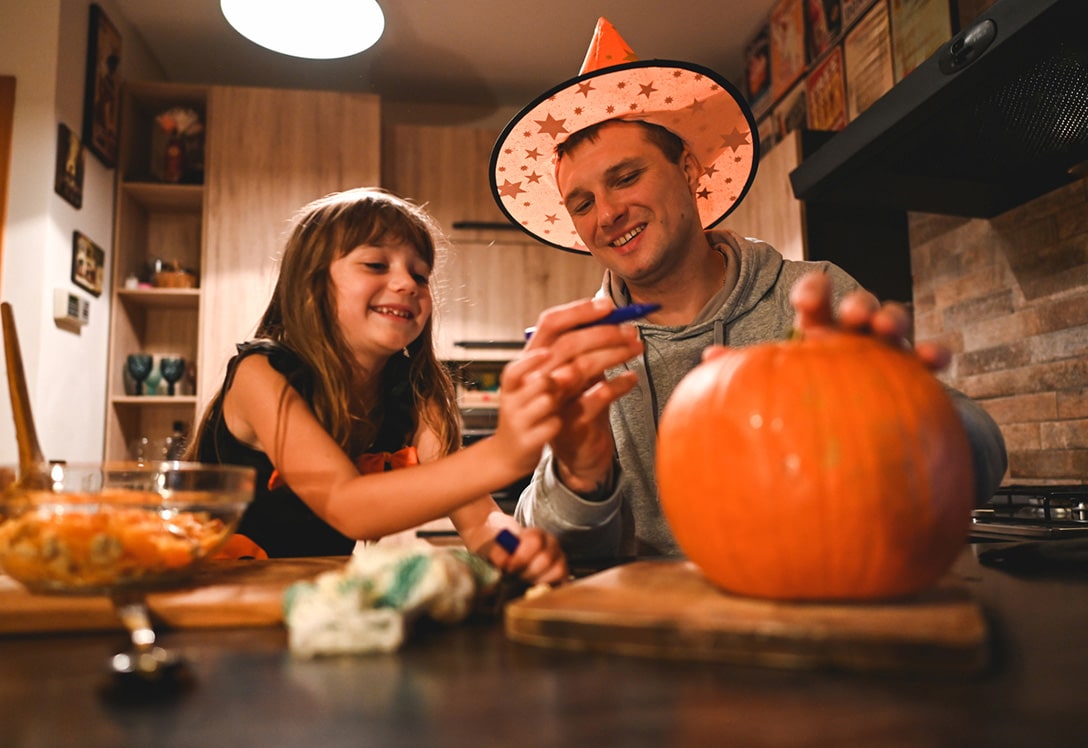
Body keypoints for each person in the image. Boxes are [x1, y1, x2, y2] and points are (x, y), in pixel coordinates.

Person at [489, 19, 1008, 560]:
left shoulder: (815, 295)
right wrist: (580, 476)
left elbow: (980, 458)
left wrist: (908, 415)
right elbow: (550, 547)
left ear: (687, 169)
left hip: (813, 609)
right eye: (582, 203)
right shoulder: (582, 351)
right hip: (650, 628)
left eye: (625, 178)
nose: (608, 214)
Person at [186, 187, 570, 584]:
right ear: (310, 284)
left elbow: (478, 520)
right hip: (213, 596)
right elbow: (347, 506)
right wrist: (502, 456)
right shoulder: (262, 375)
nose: (407, 283)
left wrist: (514, 545)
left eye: (420, 274)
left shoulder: (417, 395)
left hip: (308, 603)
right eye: (375, 264)